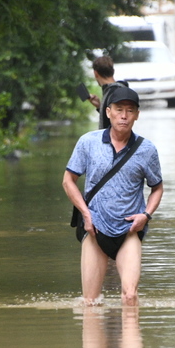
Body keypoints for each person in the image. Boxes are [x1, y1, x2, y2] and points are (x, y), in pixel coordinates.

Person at [63, 85, 164, 305]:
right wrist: (85, 215)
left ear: (137, 115)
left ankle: (130, 335)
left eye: (130, 110)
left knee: (130, 296)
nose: (124, 116)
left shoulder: (146, 150)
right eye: (119, 109)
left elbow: (157, 188)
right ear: (107, 112)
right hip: (95, 228)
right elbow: (68, 181)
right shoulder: (88, 142)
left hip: (129, 231)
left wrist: (145, 216)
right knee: (90, 302)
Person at [86, 55, 128, 129]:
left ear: (95, 74)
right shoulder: (115, 90)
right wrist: (100, 106)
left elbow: (120, 123)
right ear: (113, 71)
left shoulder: (113, 92)